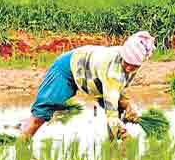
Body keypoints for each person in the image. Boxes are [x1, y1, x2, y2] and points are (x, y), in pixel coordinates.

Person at [20, 31, 156, 141]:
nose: (127, 66)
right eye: (126, 61)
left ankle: (113, 151)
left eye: (133, 65)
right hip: (66, 69)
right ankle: (21, 146)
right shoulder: (113, 69)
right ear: (123, 54)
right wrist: (127, 137)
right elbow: (111, 109)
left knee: (119, 110)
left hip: (91, 77)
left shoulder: (130, 66)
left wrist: (128, 107)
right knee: (40, 115)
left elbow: (117, 91)